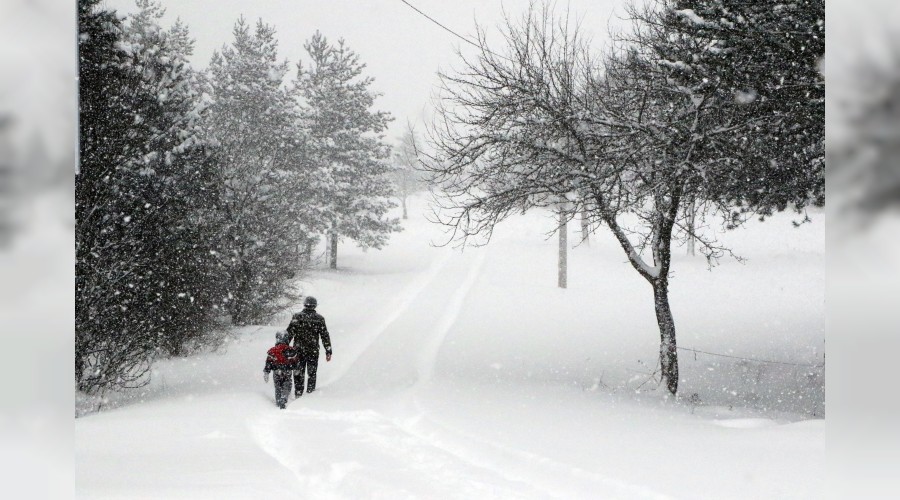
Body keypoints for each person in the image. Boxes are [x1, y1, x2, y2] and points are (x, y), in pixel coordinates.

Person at [287, 296, 332, 397]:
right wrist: (328, 351)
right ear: (315, 305)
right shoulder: (319, 319)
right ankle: (310, 394)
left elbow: (289, 334)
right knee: (312, 373)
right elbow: (325, 336)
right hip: (313, 350)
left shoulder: (297, 317)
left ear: (304, 304)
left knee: (298, 373)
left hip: (298, 351)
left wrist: (284, 347)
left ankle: (298, 394)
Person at [263, 330, 300, 409]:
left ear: (277, 338)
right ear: (287, 339)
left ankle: (278, 401)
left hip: (276, 371)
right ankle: (284, 398)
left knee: (277, 387)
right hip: (287, 371)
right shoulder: (291, 350)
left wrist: (266, 372)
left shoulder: (273, 350)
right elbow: (295, 361)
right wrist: (296, 369)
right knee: (287, 385)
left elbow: (269, 362)